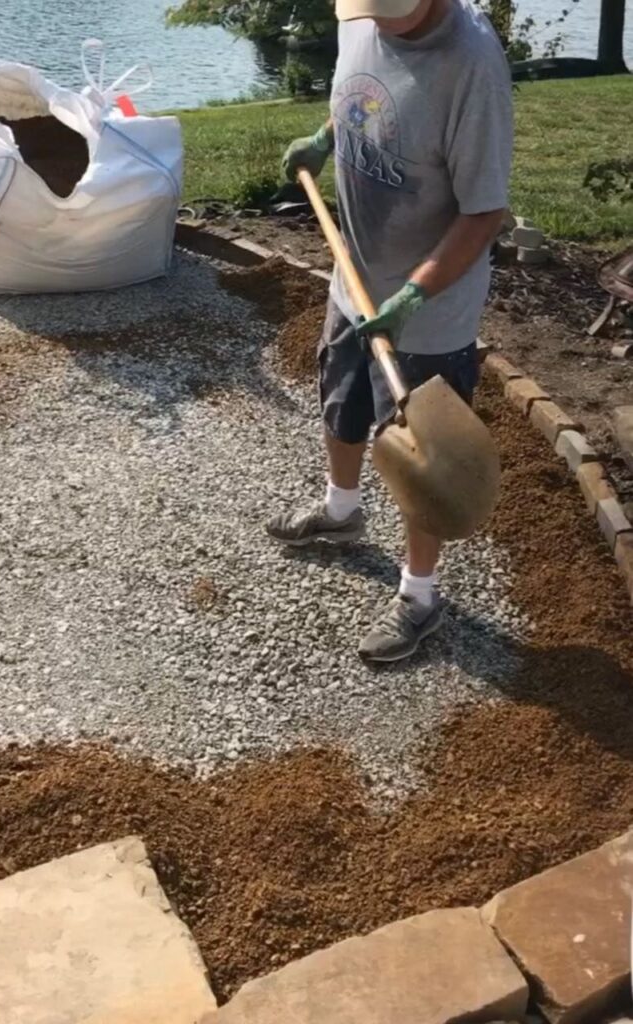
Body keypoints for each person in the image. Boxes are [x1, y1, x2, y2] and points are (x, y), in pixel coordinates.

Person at [267, 0, 514, 664]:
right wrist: (325, 139)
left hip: (427, 309)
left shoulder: (472, 67)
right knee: (342, 402)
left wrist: (414, 295)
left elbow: (486, 211)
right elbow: (362, 97)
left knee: (419, 455)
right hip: (356, 278)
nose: (376, 23)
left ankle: (420, 595)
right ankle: (342, 509)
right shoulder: (362, 16)